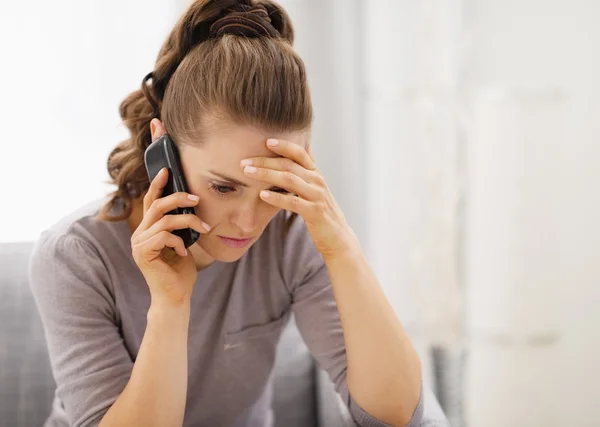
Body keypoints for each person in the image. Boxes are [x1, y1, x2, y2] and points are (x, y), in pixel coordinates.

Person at [28, 1, 449, 426]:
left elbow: (395, 415)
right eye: (224, 187)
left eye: (273, 187)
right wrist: (171, 306)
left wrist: (343, 251)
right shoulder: (74, 256)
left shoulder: (291, 235)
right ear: (164, 150)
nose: (250, 223)